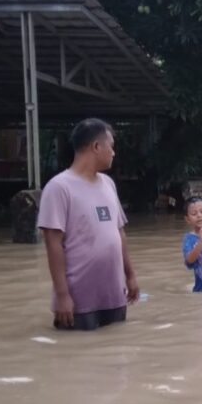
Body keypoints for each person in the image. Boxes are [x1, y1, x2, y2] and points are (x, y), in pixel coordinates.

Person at [38, 118, 139, 330]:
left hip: (113, 295)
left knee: (116, 353)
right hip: (79, 300)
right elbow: (52, 244)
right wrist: (63, 295)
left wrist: (130, 276)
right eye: (110, 147)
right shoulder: (59, 188)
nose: (113, 153)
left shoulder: (108, 184)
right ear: (96, 146)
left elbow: (119, 233)